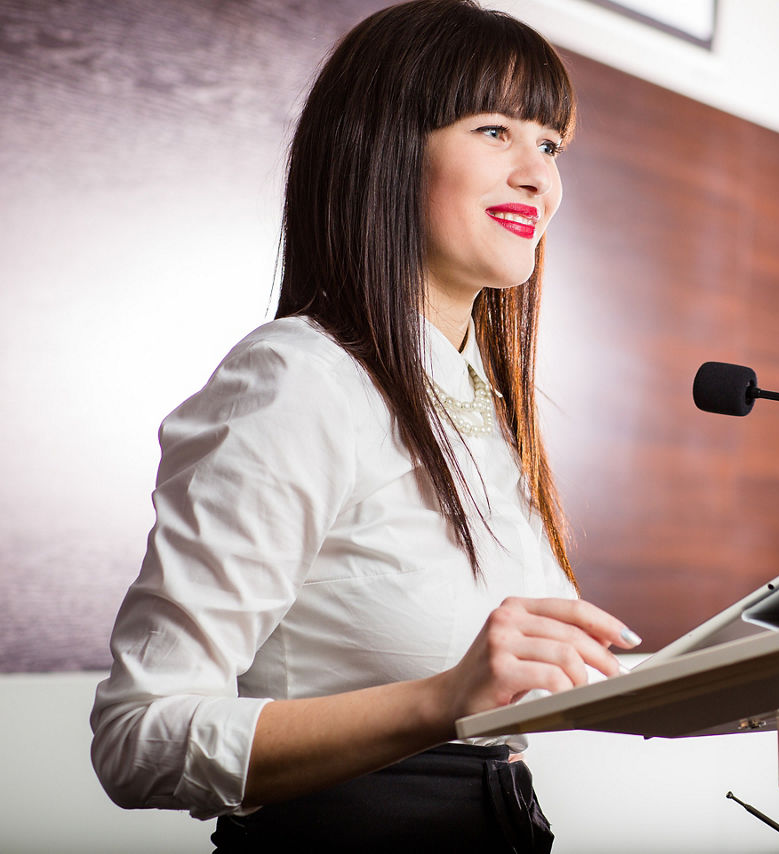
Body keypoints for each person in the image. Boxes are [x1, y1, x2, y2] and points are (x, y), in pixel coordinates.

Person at [89, 2, 638, 850]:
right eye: (495, 130)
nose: (539, 176)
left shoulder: (478, 402)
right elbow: (139, 739)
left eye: (551, 143)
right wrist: (438, 700)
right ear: (385, 151)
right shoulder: (297, 379)